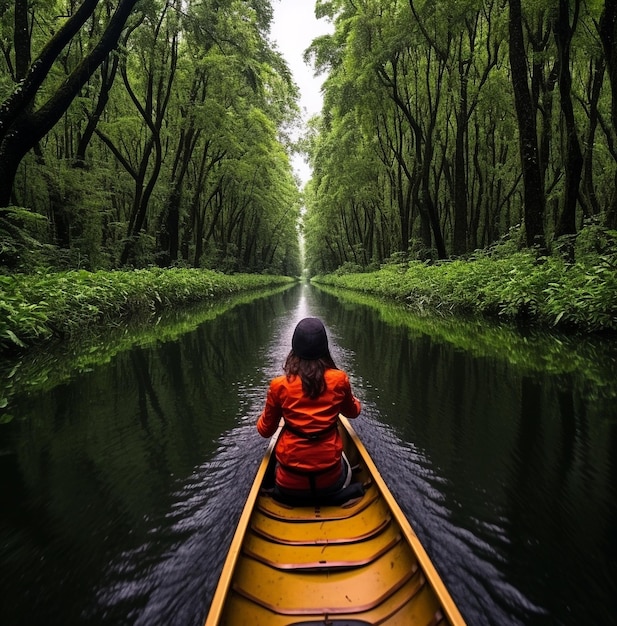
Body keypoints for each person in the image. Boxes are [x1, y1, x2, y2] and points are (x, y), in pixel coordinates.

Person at [257, 317, 362, 504]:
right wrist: (355, 401)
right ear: (324, 347)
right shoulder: (340, 379)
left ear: (294, 347)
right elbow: (353, 412)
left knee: (274, 462)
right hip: (331, 482)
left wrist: (263, 417)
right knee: (343, 455)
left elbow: (265, 431)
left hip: (288, 485)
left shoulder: (278, 386)